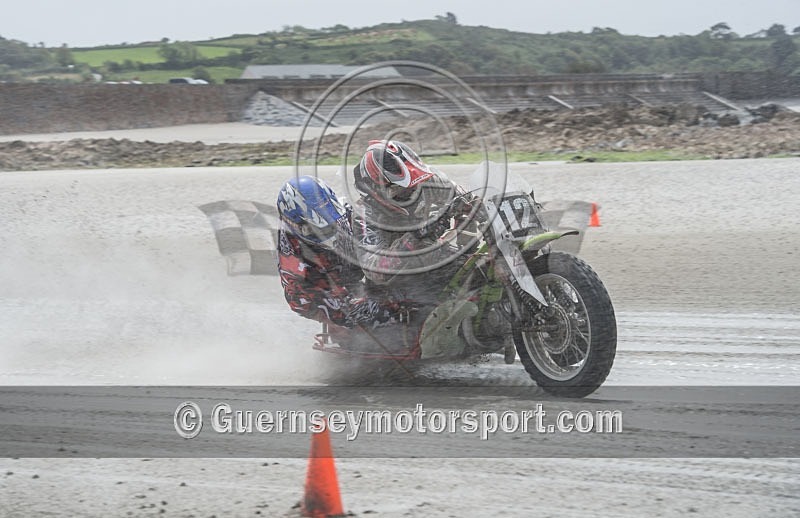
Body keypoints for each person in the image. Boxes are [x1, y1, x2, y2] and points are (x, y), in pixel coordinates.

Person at [276, 175, 410, 329]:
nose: (327, 233)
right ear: (295, 225)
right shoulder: (297, 269)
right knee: (373, 315)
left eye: (330, 222)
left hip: (346, 261)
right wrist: (391, 304)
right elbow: (345, 309)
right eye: (317, 229)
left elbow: (366, 211)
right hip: (324, 291)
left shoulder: (341, 209)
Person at [351, 140, 476, 293]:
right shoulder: (364, 214)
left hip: (435, 258)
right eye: (402, 189)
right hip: (397, 290)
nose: (414, 192)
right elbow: (374, 270)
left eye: (415, 183)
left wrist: (474, 215)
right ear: (377, 188)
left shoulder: (425, 181)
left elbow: (467, 199)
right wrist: (415, 236)